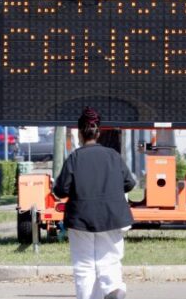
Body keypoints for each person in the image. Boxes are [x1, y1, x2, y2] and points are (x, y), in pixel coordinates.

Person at [54, 107, 135, 299]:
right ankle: (113, 288)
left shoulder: (74, 157)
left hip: (81, 218)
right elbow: (129, 183)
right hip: (112, 216)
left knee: (84, 265)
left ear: (80, 133)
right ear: (98, 132)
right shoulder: (113, 156)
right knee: (110, 260)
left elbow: (61, 190)